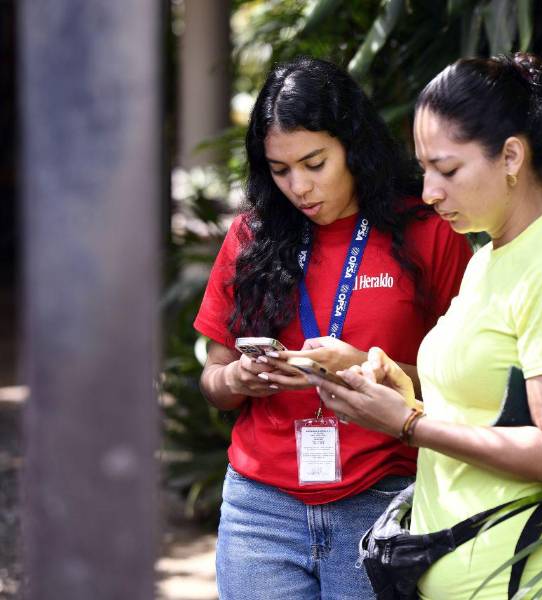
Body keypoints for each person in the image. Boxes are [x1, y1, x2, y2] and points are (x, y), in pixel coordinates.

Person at [310, 53, 542, 599]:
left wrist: (407, 426)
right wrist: (399, 389)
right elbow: (488, 410)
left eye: (448, 170)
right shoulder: (489, 255)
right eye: (425, 168)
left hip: (531, 581)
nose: (429, 191)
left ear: (510, 156)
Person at [193, 56, 472, 600]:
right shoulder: (251, 237)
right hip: (261, 510)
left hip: (381, 495)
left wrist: (368, 369)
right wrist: (237, 381)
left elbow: (468, 385)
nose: (299, 186)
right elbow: (214, 376)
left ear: (351, 144)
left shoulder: (428, 230)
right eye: (280, 170)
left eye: (315, 162)